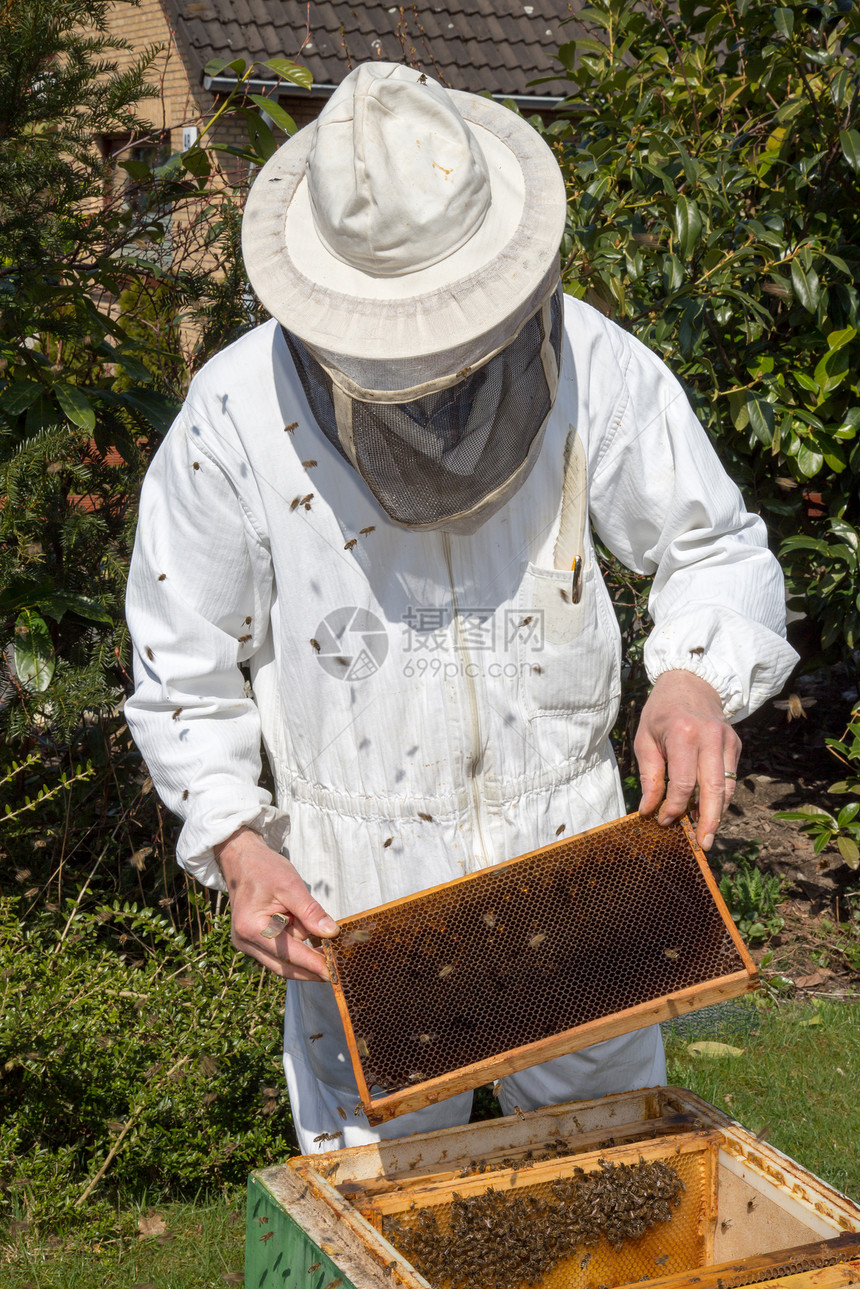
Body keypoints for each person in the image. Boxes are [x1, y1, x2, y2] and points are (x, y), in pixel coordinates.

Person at [125, 62, 797, 1154]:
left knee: (612, 1184)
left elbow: (709, 544)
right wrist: (237, 841)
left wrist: (690, 677)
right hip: (359, 890)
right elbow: (180, 664)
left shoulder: (594, 364)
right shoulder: (232, 418)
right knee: (382, 1221)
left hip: (578, 858)